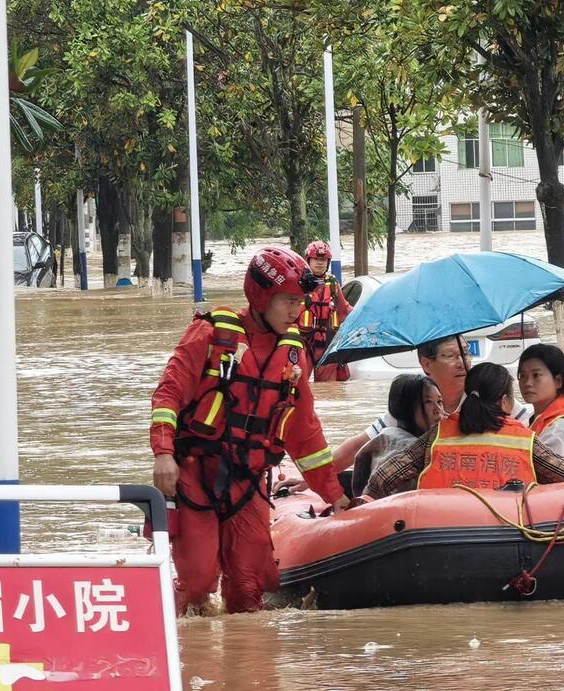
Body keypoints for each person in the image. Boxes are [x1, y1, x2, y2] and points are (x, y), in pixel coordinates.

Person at [150, 246, 350, 615]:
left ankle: (243, 650)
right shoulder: (210, 334)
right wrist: (163, 453)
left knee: (249, 586)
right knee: (197, 581)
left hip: (248, 479)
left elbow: (304, 432)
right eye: (288, 301)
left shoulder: (293, 354)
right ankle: (179, 637)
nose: (296, 311)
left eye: (300, 302)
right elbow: (168, 394)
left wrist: (334, 494)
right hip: (195, 474)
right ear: (261, 297)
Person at [275, 335, 531, 494]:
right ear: (426, 363)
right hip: (431, 501)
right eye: (450, 355)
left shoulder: (491, 395)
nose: (462, 362)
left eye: (465, 353)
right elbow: (359, 445)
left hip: (491, 492)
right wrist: (312, 480)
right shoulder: (413, 400)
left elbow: (530, 440)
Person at [366, 362, 564, 498]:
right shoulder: (524, 440)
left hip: (437, 535)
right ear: (505, 402)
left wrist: (365, 506)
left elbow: (383, 478)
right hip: (507, 534)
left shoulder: (437, 435)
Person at [349, 374, 444, 495]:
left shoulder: (385, 438)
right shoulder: (399, 449)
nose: (438, 410)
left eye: (439, 401)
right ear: (405, 407)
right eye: (428, 402)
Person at [517, 343, 564, 468]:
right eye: (523, 376)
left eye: (536, 375)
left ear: (558, 381)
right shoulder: (534, 419)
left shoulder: (559, 430)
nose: (527, 383)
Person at [298, 240, 352, 382]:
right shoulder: (299, 282)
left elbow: (344, 309)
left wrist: (363, 315)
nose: (319, 263)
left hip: (327, 342)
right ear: (308, 260)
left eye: (323, 260)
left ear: (328, 262)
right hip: (304, 342)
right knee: (298, 383)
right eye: (316, 259)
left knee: (329, 388)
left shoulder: (332, 284)